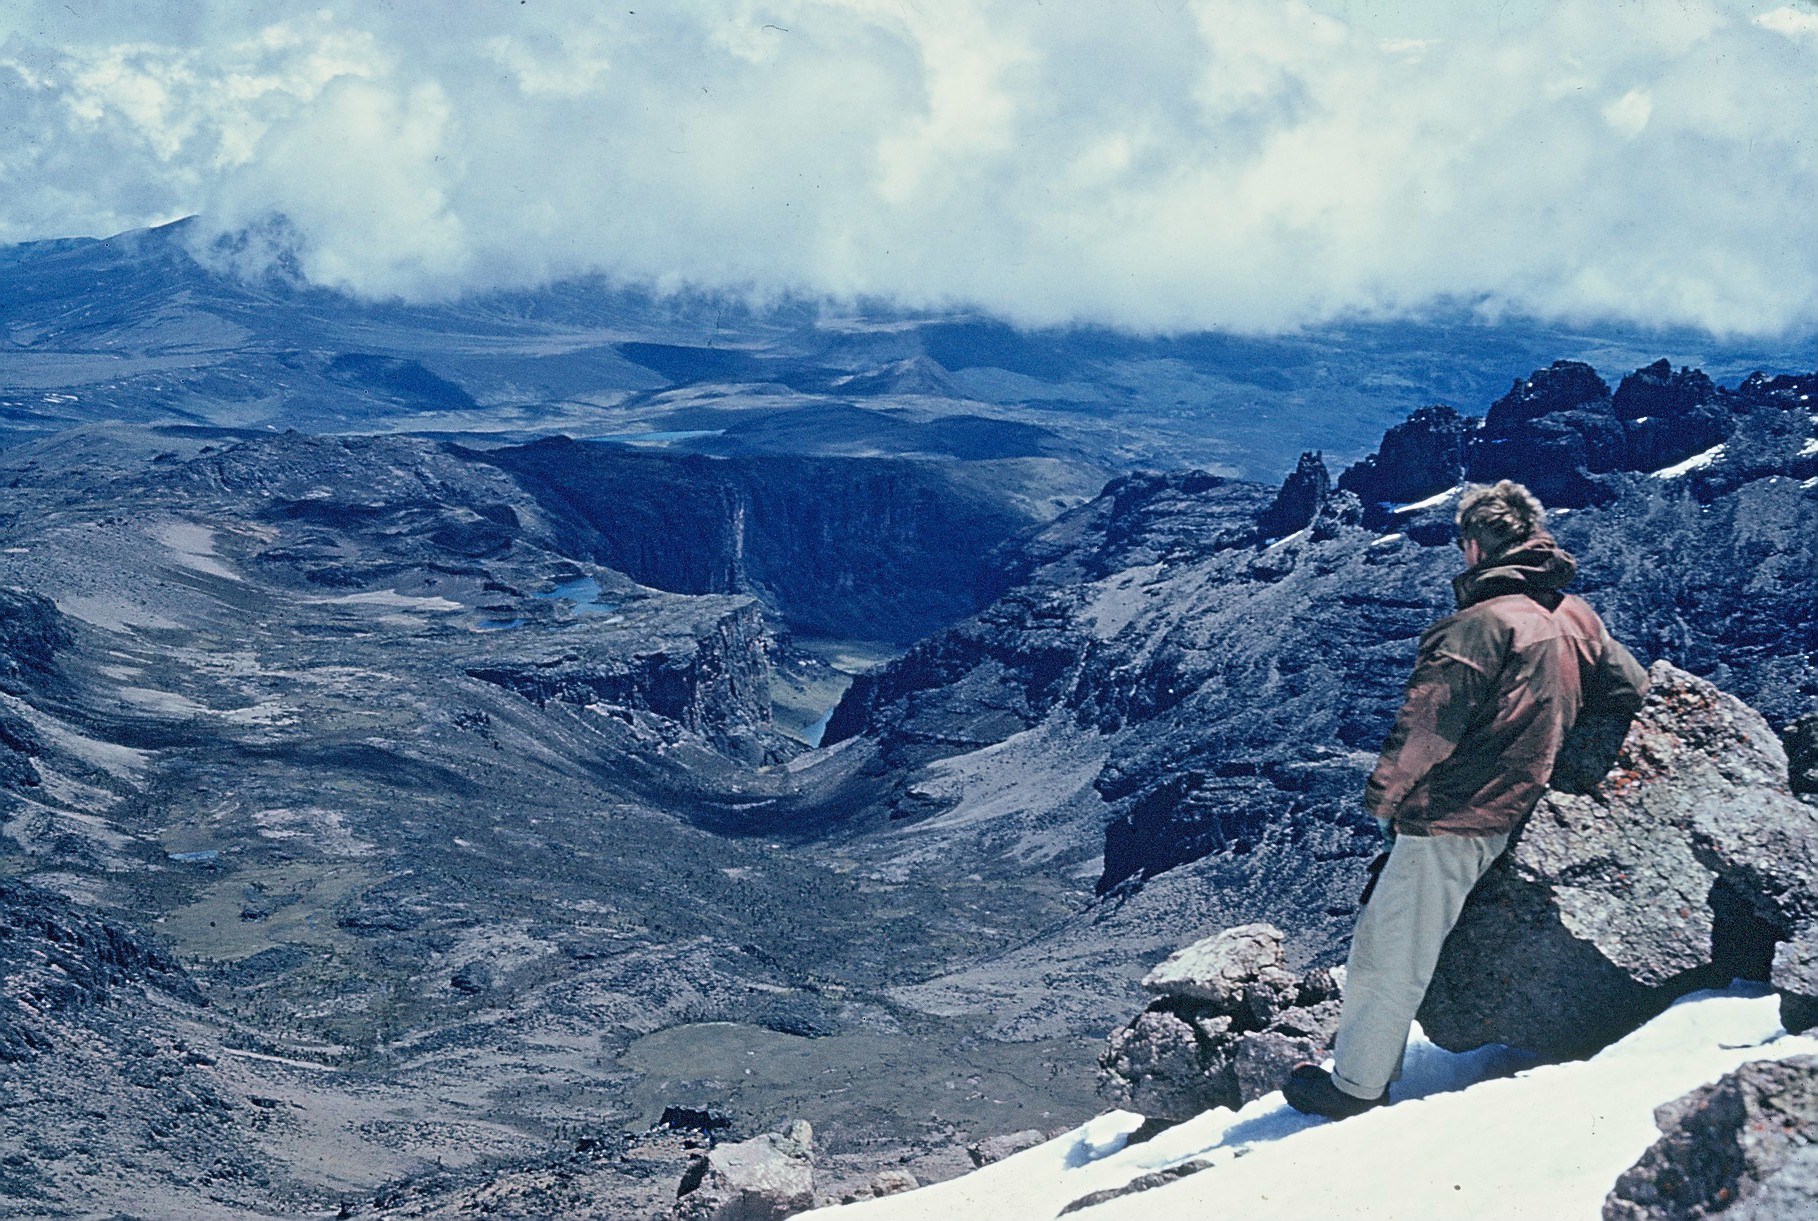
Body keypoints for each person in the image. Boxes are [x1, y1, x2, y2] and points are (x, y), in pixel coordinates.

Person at [1282, 479, 1648, 1120]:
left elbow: (1425, 729)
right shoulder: (1576, 616)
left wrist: (1384, 802)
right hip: (1525, 803)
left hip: (1457, 814)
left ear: (1475, 547)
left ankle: (1355, 1089)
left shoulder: (1479, 626)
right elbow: (1632, 687)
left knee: (1389, 948)